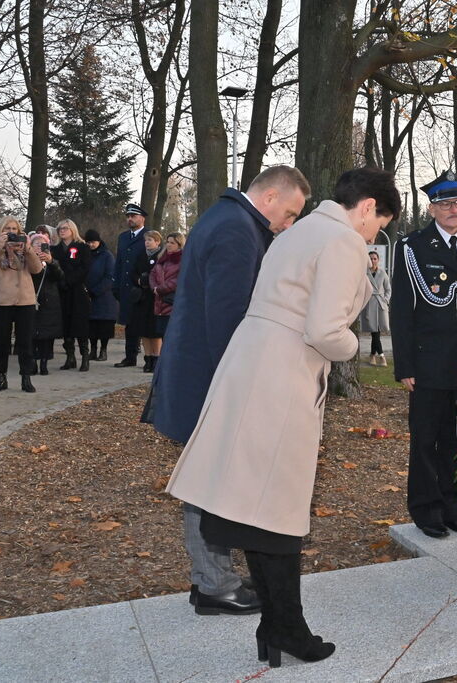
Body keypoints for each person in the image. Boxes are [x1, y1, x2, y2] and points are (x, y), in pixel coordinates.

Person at [167, 166, 399, 667]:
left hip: (253, 366)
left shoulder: (302, 230)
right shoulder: (343, 242)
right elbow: (324, 330)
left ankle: (278, 626)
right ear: (367, 208)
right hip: (284, 377)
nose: (375, 233)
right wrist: (353, 347)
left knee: (256, 508)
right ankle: (287, 629)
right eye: (380, 222)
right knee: (276, 512)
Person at [150, 165, 310, 617]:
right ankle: (214, 585)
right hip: (212, 379)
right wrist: (248, 386)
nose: (289, 224)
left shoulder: (224, 217)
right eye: (291, 213)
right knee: (208, 483)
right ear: (271, 196)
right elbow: (230, 320)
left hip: (198, 374)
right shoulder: (239, 231)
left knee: (210, 480)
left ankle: (214, 579)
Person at [390, 170, 457, 539]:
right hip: (427, 362)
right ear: (432, 209)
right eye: (446, 203)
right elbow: (401, 310)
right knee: (425, 439)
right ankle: (426, 510)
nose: (455, 209)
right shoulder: (413, 247)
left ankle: (453, 505)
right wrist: (404, 364)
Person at [0, 216, 42, 392]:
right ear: (0, 231)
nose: (11, 232)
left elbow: (37, 269)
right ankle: (1, 378)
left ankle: (26, 378)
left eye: (14, 229)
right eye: (7, 228)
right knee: (1, 342)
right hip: (0, 301)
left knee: (25, 342)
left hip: (25, 300)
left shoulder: (25, 248)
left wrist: (28, 249)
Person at [52, 220, 92, 372]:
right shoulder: (55, 249)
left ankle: (85, 357)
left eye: (65, 228)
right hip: (60, 291)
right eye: (60, 228)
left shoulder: (82, 247)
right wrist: (60, 281)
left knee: (80, 324)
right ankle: (70, 357)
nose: (62, 231)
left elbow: (85, 268)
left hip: (77, 290)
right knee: (66, 324)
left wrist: (69, 280)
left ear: (72, 230)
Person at [113, 204, 149, 367]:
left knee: (143, 322)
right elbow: (120, 261)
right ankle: (130, 356)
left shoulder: (148, 236)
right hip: (126, 285)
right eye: (128, 216)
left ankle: (151, 357)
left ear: (142, 218)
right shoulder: (123, 237)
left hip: (141, 286)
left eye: (133, 216)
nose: (130, 219)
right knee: (128, 322)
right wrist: (116, 282)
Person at [29, 232, 64, 376]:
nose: (39, 246)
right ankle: (32, 363)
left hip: (49, 301)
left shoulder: (52, 261)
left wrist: (51, 262)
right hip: (30, 299)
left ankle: (44, 363)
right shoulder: (26, 260)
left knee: (47, 335)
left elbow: (59, 277)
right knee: (31, 333)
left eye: (42, 244)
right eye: (35, 243)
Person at [130, 230, 164, 372]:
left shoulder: (161, 256)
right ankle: (148, 358)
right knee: (143, 330)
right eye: (146, 240)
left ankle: (157, 358)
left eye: (150, 240)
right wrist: (138, 280)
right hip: (142, 297)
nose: (147, 242)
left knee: (154, 331)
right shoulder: (140, 256)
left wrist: (151, 281)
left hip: (155, 298)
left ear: (157, 242)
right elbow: (133, 272)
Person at [85, 229, 118, 362]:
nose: (91, 245)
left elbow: (110, 277)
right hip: (87, 295)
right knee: (91, 326)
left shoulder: (107, 256)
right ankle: (92, 349)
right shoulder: (85, 254)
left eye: (93, 242)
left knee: (104, 326)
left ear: (98, 241)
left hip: (104, 296)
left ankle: (103, 350)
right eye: (88, 242)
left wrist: (96, 290)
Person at [149, 232, 183, 339]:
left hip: (173, 304)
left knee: (173, 338)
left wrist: (160, 289)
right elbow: (152, 274)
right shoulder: (162, 258)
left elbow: (178, 280)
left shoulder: (183, 260)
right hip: (160, 304)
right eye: (167, 242)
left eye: (172, 243)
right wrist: (154, 287)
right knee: (162, 335)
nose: (168, 245)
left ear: (179, 244)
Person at [360, 250, 391, 366]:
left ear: (378, 260)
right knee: (375, 332)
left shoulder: (383, 273)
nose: (373, 261)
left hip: (380, 305)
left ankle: (373, 355)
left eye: (375, 258)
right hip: (369, 305)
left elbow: (388, 289)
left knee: (376, 333)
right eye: (371, 258)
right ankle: (382, 356)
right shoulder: (364, 274)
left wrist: (385, 300)